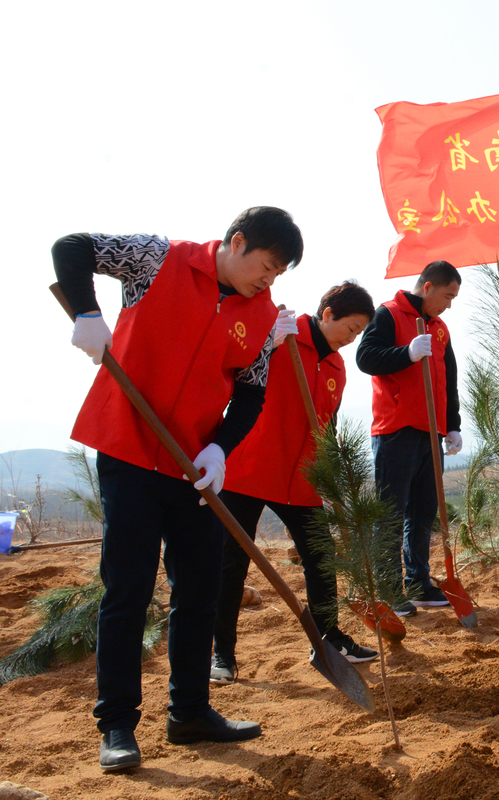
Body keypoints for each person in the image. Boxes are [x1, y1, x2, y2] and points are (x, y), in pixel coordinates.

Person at [53, 206, 304, 772]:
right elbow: (71, 246)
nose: (270, 280)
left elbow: (251, 394)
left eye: (279, 273)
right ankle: (117, 723)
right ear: (236, 242)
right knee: (129, 588)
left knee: (200, 589)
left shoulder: (262, 316)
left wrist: (220, 448)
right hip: (130, 450)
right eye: (266, 265)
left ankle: (190, 711)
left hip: (193, 466)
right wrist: (89, 314)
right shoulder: (157, 258)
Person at [211, 281, 379, 687]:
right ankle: (222, 653)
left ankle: (327, 637)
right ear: (327, 315)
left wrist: (332, 478)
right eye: (350, 328)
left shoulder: (337, 367)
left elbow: (328, 425)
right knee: (231, 564)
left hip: (303, 479)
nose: (352, 338)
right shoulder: (281, 336)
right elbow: (232, 369)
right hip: (250, 469)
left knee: (321, 560)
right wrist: (265, 341)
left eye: (359, 333)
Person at [356, 261, 463, 610]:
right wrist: (407, 353)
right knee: (391, 513)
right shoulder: (388, 315)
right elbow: (366, 358)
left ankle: (417, 582)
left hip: (431, 432)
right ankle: (388, 588)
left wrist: (453, 424)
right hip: (396, 430)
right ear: (428, 287)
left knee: (423, 512)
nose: (449, 304)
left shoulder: (441, 329)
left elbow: (448, 379)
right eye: (447, 296)